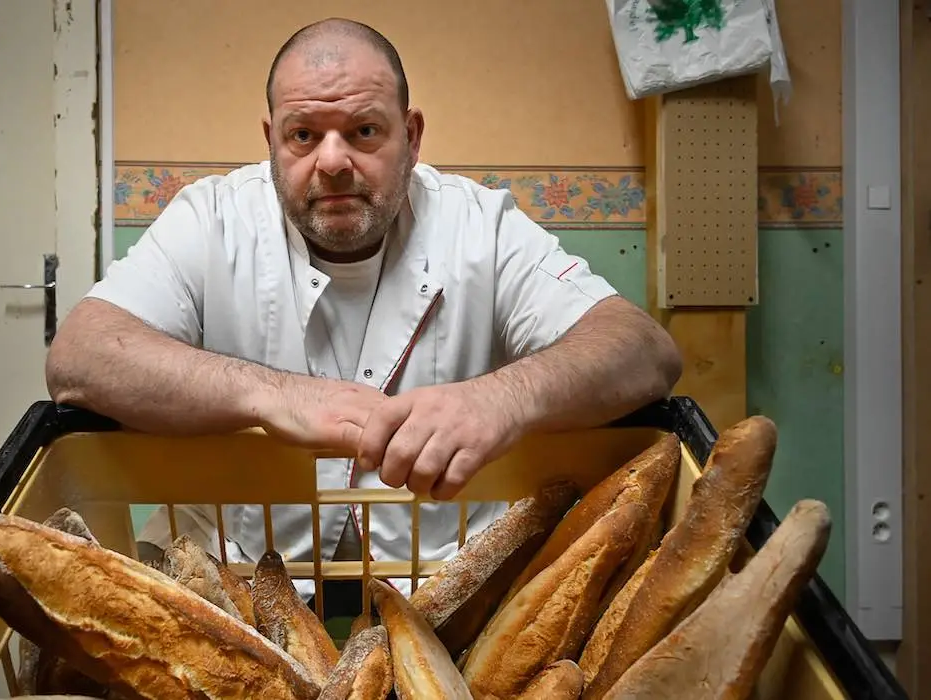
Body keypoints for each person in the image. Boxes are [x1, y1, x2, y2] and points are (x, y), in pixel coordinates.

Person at [45, 17, 682, 609]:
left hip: (452, 590)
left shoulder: (480, 227)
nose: (332, 161)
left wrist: (503, 399)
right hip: (233, 582)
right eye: (302, 135)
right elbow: (80, 355)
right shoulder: (211, 219)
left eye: (364, 131)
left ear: (413, 136)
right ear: (271, 141)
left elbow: (643, 349)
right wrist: (267, 394)